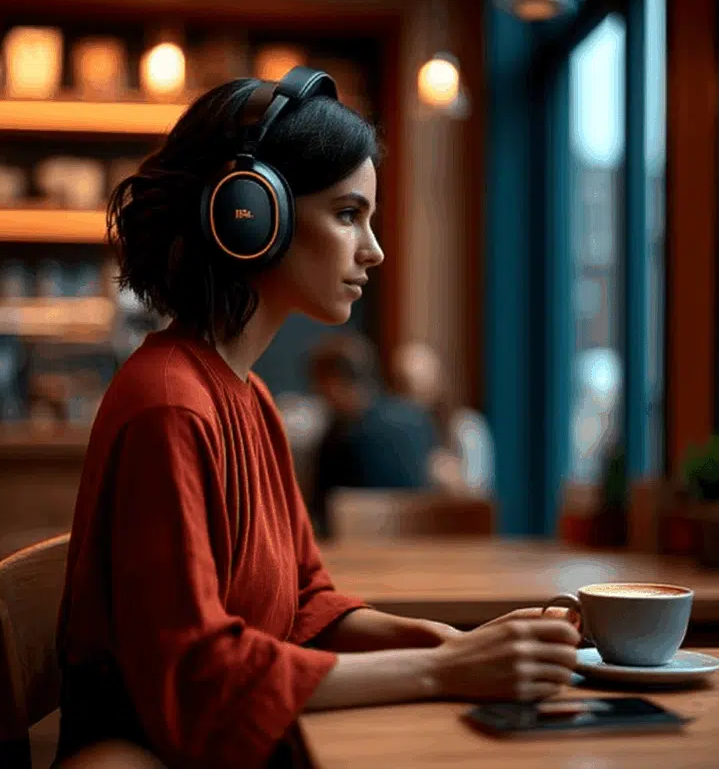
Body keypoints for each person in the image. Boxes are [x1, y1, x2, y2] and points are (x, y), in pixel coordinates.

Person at [54, 67, 579, 769]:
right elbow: (198, 678)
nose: (375, 249)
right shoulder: (169, 404)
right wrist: (440, 673)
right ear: (251, 215)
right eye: (346, 214)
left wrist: (446, 643)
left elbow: (305, 604)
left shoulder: (249, 396)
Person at [307, 331, 441, 538]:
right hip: (423, 545)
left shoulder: (340, 436)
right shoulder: (416, 418)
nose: (316, 393)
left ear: (333, 381)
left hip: (357, 555)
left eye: (319, 384)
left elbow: (318, 512)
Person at [392, 340, 495, 496]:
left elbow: (478, 494)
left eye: (421, 384)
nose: (413, 398)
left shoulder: (466, 427)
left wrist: (448, 476)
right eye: (404, 385)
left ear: (438, 381)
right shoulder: (393, 433)